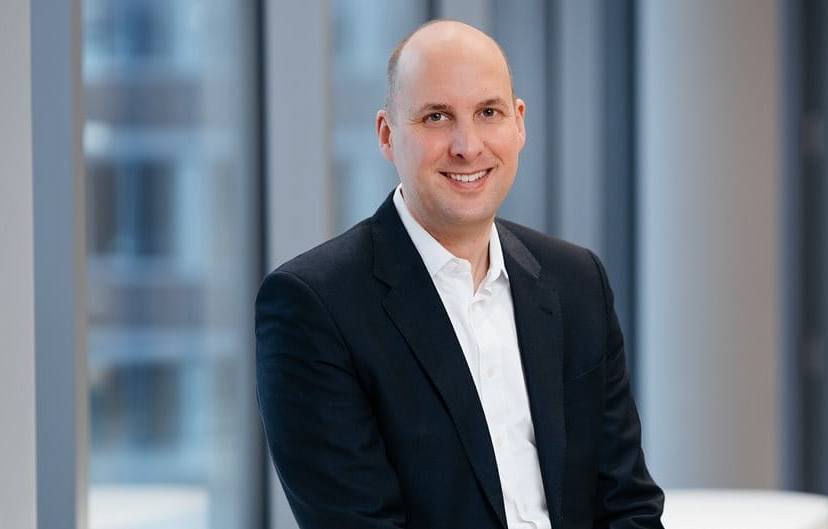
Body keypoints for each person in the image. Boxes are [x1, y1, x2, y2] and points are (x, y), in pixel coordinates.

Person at [255, 19, 664, 529]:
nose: (467, 146)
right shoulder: (312, 305)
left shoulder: (577, 281)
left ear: (518, 124)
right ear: (387, 135)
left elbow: (629, 505)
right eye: (436, 117)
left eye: (488, 112)